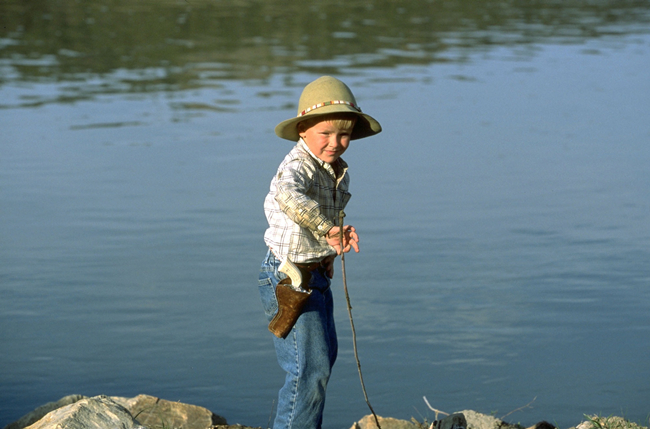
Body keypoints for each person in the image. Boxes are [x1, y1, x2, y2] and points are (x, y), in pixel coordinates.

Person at [258, 75, 382, 429]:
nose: (335, 143)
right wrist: (328, 228)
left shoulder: (332, 170)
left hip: (314, 272)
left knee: (323, 359)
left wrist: (328, 249)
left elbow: (312, 225)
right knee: (308, 370)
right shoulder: (296, 167)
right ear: (303, 131)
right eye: (325, 133)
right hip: (289, 277)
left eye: (344, 135)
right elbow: (290, 199)